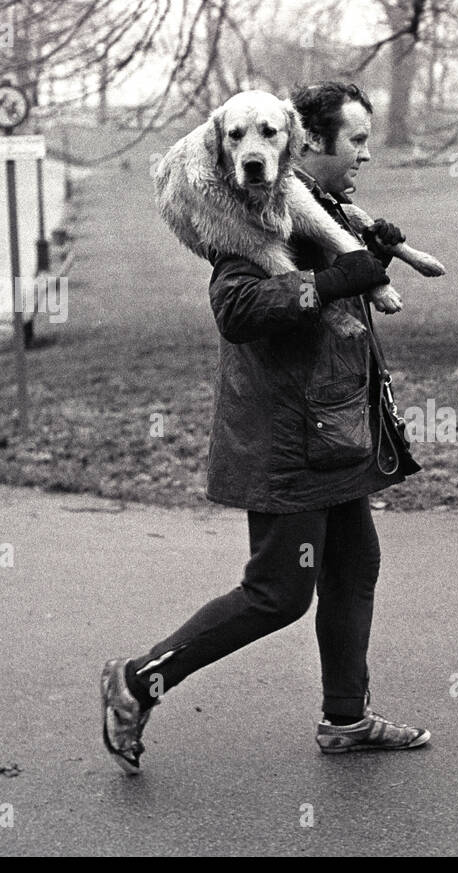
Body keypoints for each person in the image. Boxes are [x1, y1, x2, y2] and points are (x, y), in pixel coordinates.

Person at [100, 81, 428, 774]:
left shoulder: (319, 208)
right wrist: (339, 280)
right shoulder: (249, 217)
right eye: (357, 142)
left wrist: (373, 252)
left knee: (354, 564)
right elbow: (239, 308)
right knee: (277, 593)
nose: (366, 155)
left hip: (334, 427)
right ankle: (137, 682)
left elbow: (345, 263)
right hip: (287, 436)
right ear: (311, 142)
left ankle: (346, 718)